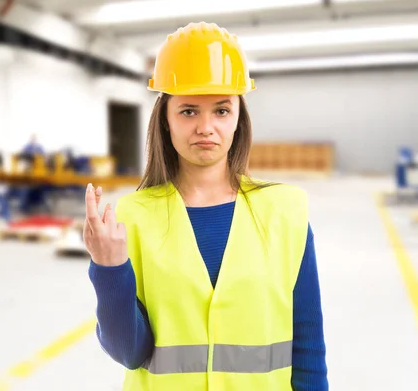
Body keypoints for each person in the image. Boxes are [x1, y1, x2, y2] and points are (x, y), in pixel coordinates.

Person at [85, 22, 328, 390]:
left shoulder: (285, 213)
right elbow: (129, 352)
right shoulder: (132, 218)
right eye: (188, 111)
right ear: (165, 120)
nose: (205, 127)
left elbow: (308, 347)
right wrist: (109, 269)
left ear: (238, 120)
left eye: (221, 110)